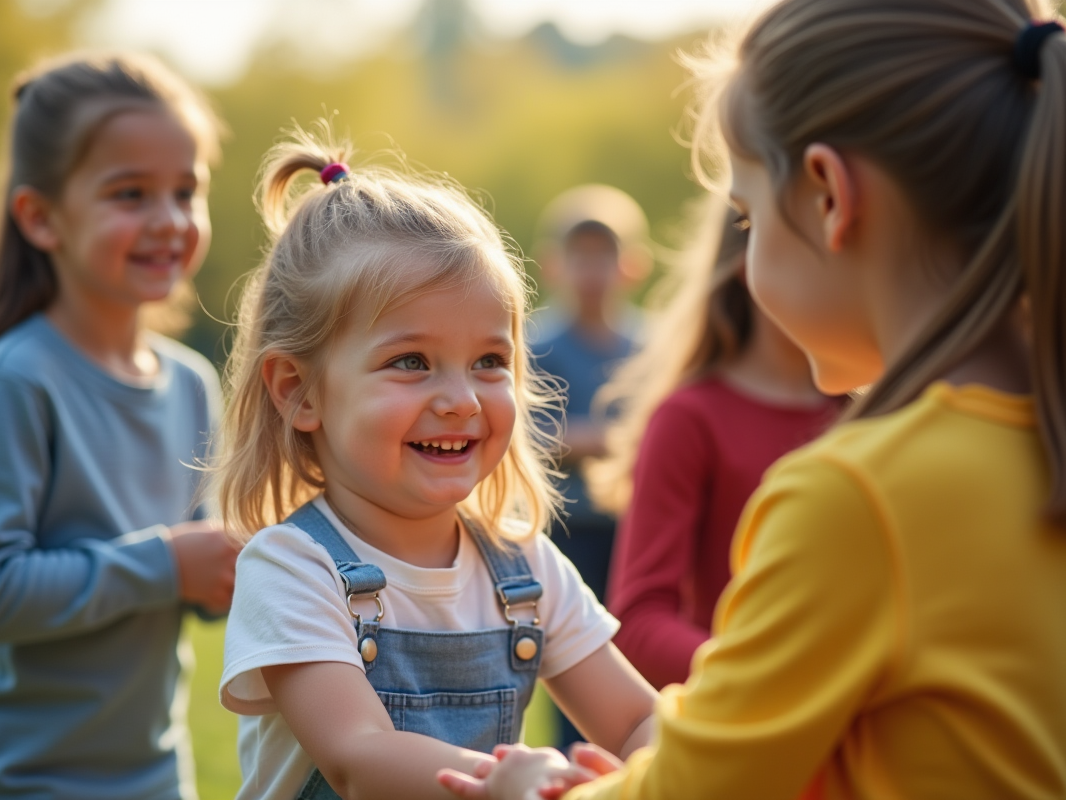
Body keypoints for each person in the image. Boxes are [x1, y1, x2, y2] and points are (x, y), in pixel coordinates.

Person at [437, 0, 1066, 798]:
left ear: (829, 196)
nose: (742, 246)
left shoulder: (856, 495)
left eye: (747, 213)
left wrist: (527, 793)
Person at [213, 126, 659, 800]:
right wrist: (508, 783)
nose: (459, 400)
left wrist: (662, 761)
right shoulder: (292, 567)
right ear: (298, 392)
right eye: (411, 362)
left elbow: (636, 718)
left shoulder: (526, 570)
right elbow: (358, 757)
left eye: (489, 362)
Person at [0, 52, 240, 800]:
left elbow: (193, 580)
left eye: (187, 191)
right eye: (130, 193)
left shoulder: (192, 384)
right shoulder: (20, 379)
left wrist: (235, 570)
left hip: (149, 773)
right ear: (41, 218)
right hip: (9, 776)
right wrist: (169, 566)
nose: (169, 221)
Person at [590, 195, 840, 690]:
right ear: (754, 264)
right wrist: (763, 674)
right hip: (748, 727)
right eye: (825, 247)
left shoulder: (872, 413)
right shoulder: (690, 419)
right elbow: (638, 621)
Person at [527, 184, 651, 748]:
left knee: (636, 672)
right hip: (565, 531)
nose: (592, 271)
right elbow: (519, 433)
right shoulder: (536, 345)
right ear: (556, 264)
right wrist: (596, 439)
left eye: (605, 256)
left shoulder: (649, 345)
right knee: (573, 669)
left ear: (633, 264)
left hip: (637, 533)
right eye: (581, 257)